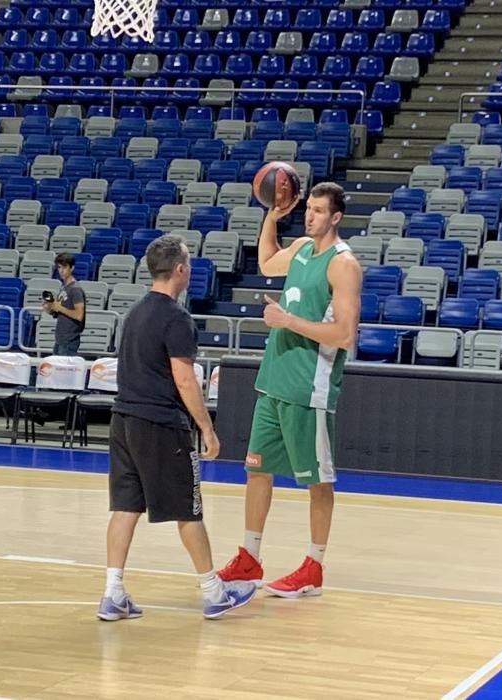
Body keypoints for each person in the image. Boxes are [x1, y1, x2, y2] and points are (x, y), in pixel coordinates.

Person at [98, 234, 257, 621]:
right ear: (181, 270)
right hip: (160, 423)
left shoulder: (134, 313)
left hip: (123, 421)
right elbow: (185, 380)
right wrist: (207, 428)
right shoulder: (176, 318)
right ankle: (212, 592)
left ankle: (112, 593)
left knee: (124, 507)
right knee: (189, 509)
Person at [218, 182, 362, 598]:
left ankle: (314, 566)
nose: (310, 215)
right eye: (309, 208)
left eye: (319, 210)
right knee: (256, 469)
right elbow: (265, 262)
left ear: (335, 217)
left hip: (309, 387)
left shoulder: (343, 264)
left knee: (317, 481)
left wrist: (288, 321)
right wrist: (271, 217)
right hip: (274, 380)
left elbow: (345, 334)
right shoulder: (300, 248)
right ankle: (250, 556)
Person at [43, 252, 85, 356]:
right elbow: (59, 312)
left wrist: (59, 308)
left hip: (69, 340)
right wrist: (49, 308)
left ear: (72, 268)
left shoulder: (75, 289)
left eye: (64, 267)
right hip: (61, 338)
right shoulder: (63, 288)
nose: (61, 271)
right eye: (59, 267)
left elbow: (79, 315)